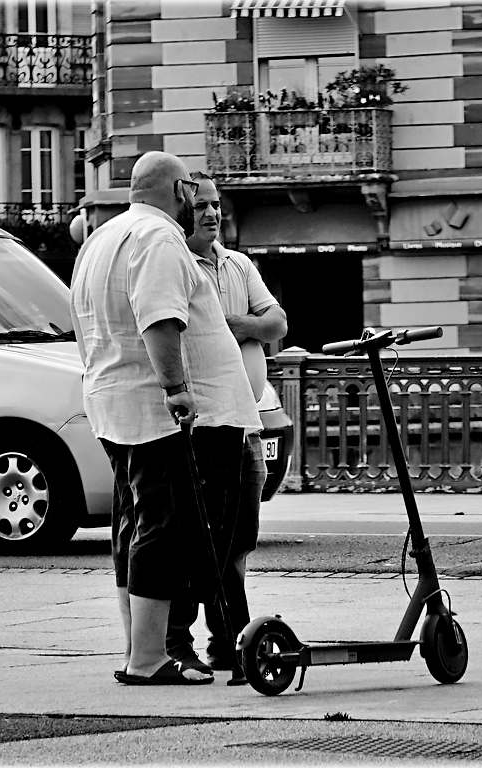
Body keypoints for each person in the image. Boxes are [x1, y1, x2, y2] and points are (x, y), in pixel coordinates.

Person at [69, 152, 262, 686]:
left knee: (135, 523)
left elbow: (83, 324)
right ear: (179, 191)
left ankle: (141, 647)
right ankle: (149, 658)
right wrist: (177, 390)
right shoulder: (158, 239)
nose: (197, 204)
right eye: (193, 193)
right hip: (159, 412)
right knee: (164, 527)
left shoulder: (100, 239)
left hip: (114, 401)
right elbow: (160, 319)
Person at [166, 171, 288, 673]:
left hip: (250, 420)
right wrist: (245, 329)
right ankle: (209, 639)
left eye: (217, 205)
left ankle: (224, 641)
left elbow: (277, 323)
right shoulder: (179, 266)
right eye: (202, 207)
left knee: (238, 538)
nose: (213, 214)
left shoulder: (238, 265)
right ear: (182, 213)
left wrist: (233, 324)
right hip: (207, 422)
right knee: (204, 538)